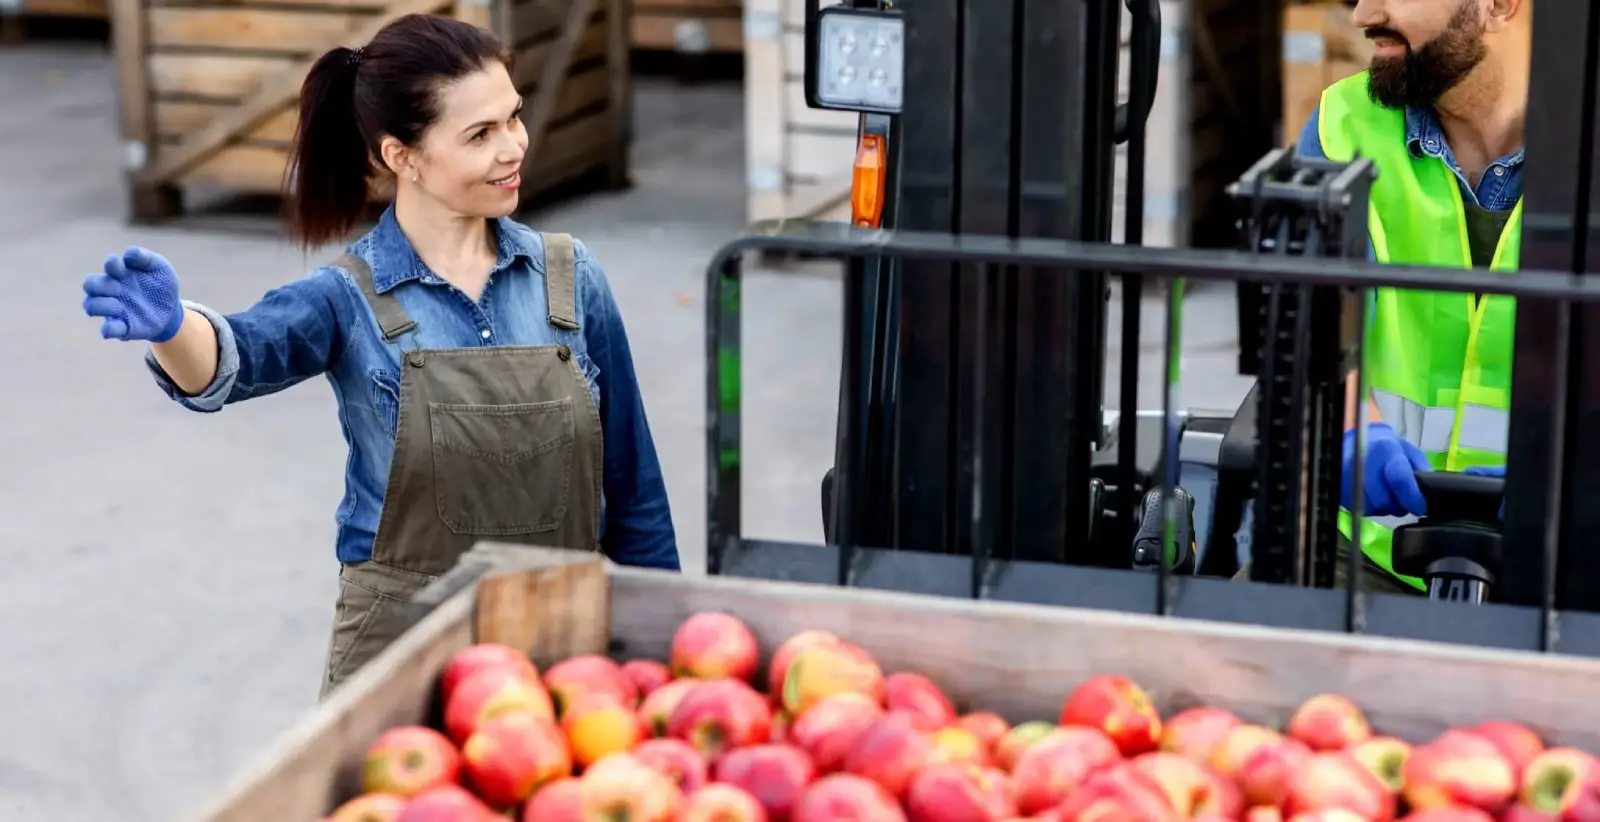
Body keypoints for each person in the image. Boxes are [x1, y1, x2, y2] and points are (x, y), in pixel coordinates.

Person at [80, 13, 681, 694]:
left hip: (565, 635)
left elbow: (635, 493)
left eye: (512, 118)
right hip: (401, 647)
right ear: (404, 156)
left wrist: (662, 646)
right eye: (480, 134)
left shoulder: (572, 279)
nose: (515, 146)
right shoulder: (347, 296)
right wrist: (171, 326)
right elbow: (237, 356)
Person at [1255, 0, 1530, 593]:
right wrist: (1351, 425)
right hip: (1365, 552)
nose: (1363, 13)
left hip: (1569, 559)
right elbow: (1311, 323)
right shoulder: (1341, 125)